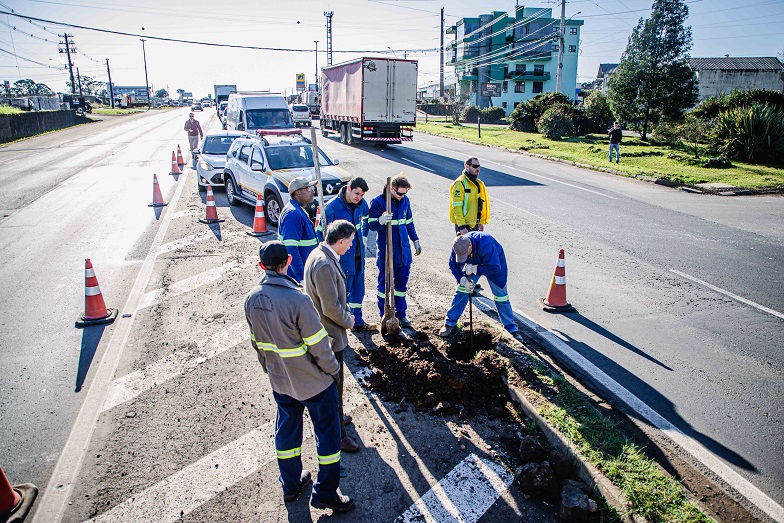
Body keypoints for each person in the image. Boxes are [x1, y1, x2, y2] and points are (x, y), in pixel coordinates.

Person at [244, 241, 354, 512]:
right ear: (288, 261)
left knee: (287, 433)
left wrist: (271, 371)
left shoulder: (251, 299)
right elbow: (319, 345)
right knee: (327, 436)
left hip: (281, 382)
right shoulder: (298, 300)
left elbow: (257, 344)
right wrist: (333, 371)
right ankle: (325, 493)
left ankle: (291, 484)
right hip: (314, 383)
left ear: (261, 266)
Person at [304, 220, 362, 454]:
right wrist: (348, 320)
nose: (350, 247)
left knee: (334, 385)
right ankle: (338, 435)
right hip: (329, 336)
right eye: (349, 243)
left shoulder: (319, 254)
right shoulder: (324, 265)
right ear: (339, 241)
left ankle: (337, 416)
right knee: (333, 386)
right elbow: (330, 307)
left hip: (326, 333)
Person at [439, 232, 524, 344]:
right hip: (472, 265)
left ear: (470, 246)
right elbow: (453, 265)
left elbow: (495, 267)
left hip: (494, 264)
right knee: (461, 291)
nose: (463, 257)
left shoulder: (486, 244)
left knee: (501, 296)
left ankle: (511, 329)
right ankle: (450, 323)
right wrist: (462, 280)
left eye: (465, 254)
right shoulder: (458, 246)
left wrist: (476, 269)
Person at [316, 177, 375, 332]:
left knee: (358, 291)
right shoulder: (331, 208)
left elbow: (366, 218)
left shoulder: (361, 205)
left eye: (362, 195)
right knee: (341, 296)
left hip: (357, 256)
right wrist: (328, 255)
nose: (359, 198)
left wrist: (364, 234)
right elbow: (320, 233)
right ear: (348, 188)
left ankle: (358, 322)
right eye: (357, 194)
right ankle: (338, 329)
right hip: (342, 260)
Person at [367, 174, 421, 328]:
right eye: (399, 193)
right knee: (384, 287)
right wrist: (380, 221)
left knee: (401, 288)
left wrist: (415, 240)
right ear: (391, 189)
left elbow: (409, 222)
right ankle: (384, 314)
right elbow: (370, 225)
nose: (401, 197)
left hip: (404, 253)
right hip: (387, 253)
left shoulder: (405, 201)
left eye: (405, 194)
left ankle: (401, 315)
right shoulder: (378, 202)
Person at [278, 177, 318, 283]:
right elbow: (290, 249)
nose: (312, 191)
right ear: (298, 193)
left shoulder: (298, 210)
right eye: (308, 188)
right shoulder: (293, 214)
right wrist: (302, 277)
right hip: (296, 277)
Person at [449, 157, 490, 236]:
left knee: (474, 248)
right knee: (463, 247)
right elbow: (456, 207)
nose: (477, 169)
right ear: (467, 166)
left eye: (478, 166)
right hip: (464, 225)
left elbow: (479, 205)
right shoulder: (460, 183)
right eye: (474, 166)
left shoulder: (478, 184)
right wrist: (462, 227)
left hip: (474, 225)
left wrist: (480, 223)